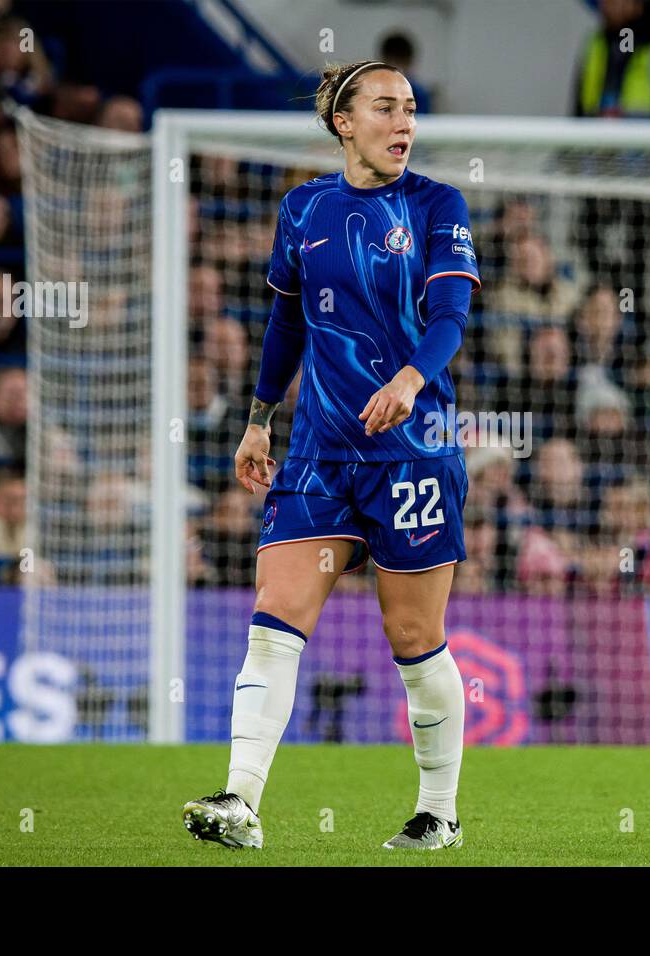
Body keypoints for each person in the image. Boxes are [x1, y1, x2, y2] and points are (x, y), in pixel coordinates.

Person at [182, 60, 479, 853]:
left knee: (415, 638)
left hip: (412, 453)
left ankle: (438, 813)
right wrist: (257, 421)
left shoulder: (437, 206)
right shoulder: (303, 208)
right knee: (274, 622)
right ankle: (240, 799)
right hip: (319, 453)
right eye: (385, 107)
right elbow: (285, 325)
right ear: (344, 122)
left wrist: (414, 379)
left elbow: (452, 314)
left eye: (411, 108)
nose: (403, 122)